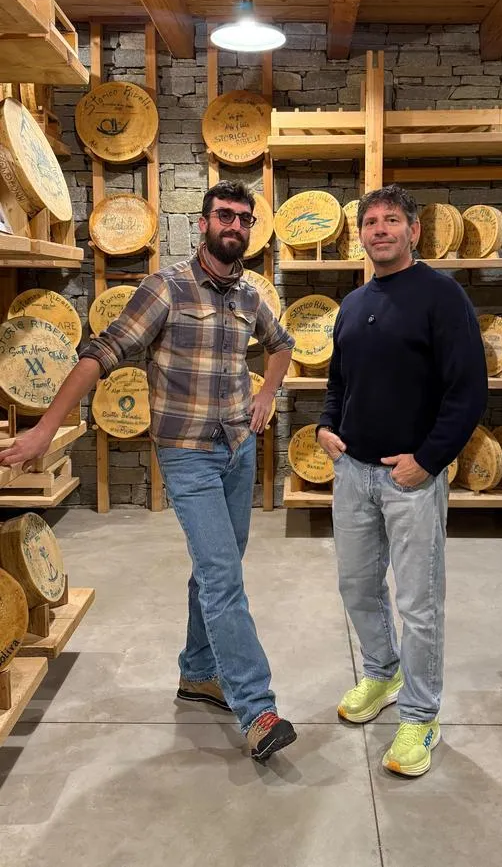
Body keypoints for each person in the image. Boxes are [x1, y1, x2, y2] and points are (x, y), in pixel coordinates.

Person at [0, 180, 297, 763]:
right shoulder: (166, 288)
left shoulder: (249, 296)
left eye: (244, 218)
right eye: (224, 215)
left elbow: (281, 343)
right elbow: (100, 354)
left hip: (237, 449)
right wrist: (44, 428)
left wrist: (266, 394)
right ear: (204, 223)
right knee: (222, 576)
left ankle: (198, 673)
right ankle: (257, 708)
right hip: (187, 455)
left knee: (217, 569)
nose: (234, 225)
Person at [317, 184, 487, 777]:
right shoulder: (353, 302)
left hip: (409, 479)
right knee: (357, 587)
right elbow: (339, 380)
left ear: (413, 231)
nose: (380, 230)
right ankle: (383, 673)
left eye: (392, 220)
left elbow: (469, 391)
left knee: (418, 602)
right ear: (360, 235)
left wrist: (429, 460)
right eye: (370, 222)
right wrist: (326, 426)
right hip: (352, 473)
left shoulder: (442, 296)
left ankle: (420, 713)